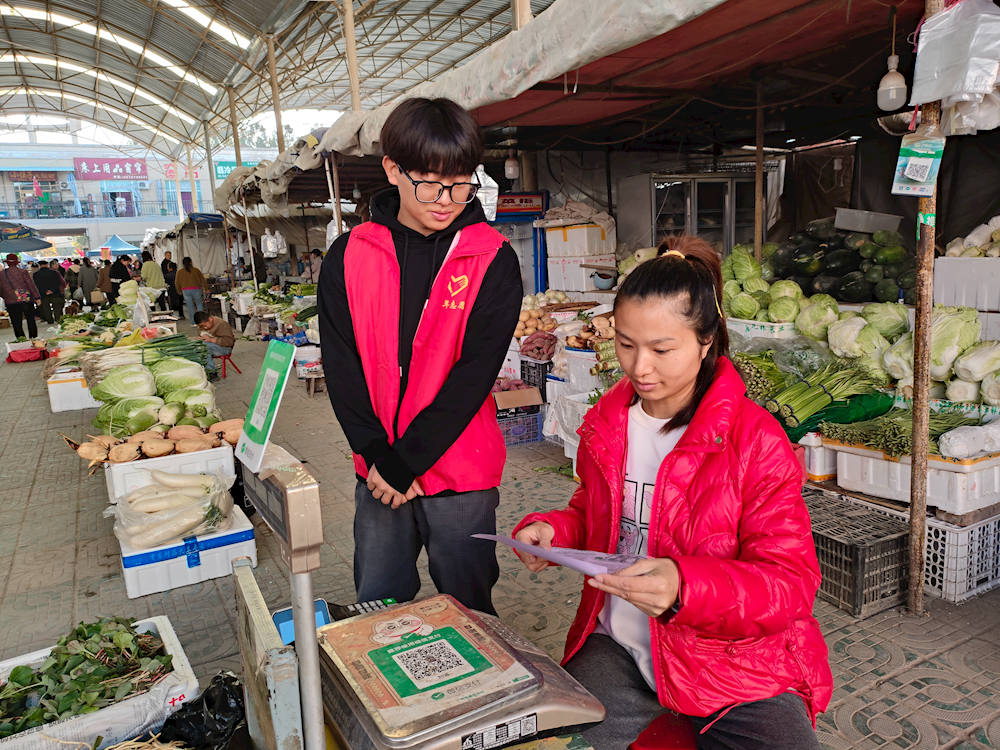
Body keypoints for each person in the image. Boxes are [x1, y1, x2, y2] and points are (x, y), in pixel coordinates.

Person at [512, 236, 832, 750]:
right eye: (625, 344)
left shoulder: (756, 439)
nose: (640, 368)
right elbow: (595, 511)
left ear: (707, 340)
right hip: (620, 641)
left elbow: (791, 585)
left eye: (662, 349)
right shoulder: (607, 422)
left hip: (732, 660)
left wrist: (684, 586)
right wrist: (557, 529)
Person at [317, 97, 523, 615]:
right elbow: (342, 366)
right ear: (392, 168)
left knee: (472, 611)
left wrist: (407, 462)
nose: (445, 199)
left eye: (459, 183)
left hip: (461, 471)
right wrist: (380, 458)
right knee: (380, 607)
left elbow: (474, 374)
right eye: (429, 183)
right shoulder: (350, 254)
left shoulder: (492, 258)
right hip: (380, 471)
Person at [0, 253, 40, 339]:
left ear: (7, 263)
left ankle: (21, 339)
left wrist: (6, 295)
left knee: (16, 322)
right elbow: (30, 285)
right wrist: (37, 297)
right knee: (30, 319)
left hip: (10, 301)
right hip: (25, 299)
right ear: (17, 262)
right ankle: (33, 338)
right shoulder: (23, 272)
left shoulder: (2, 274)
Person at [175, 256, 207, 325]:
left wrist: (179, 291)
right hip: (196, 289)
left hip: (185, 291)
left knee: (190, 306)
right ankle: (201, 321)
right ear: (191, 262)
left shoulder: (180, 272)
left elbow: (176, 282)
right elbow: (203, 280)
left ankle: (193, 323)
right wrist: (206, 288)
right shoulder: (196, 270)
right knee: (199, 304)